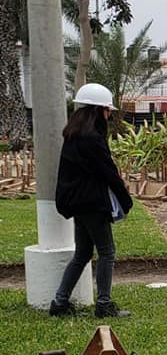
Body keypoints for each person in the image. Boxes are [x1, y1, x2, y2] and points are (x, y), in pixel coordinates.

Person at [50, 83, 134, 318]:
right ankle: (103, 304)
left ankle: (59, 302)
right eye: (107, 110)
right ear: (98, 110)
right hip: (92, 203)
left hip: (77, 204)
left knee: (83, 254)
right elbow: (108, 172)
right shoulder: (92, 139)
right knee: (107, 252)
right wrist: (125, 200)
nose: (108, 115)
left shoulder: (73, 136)